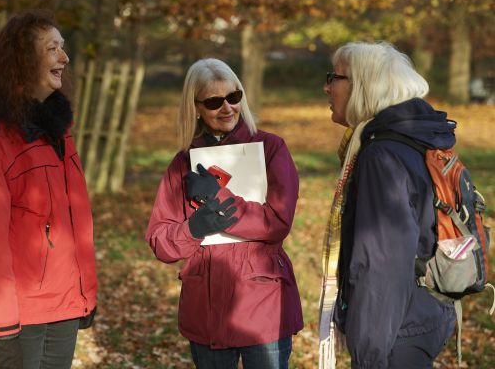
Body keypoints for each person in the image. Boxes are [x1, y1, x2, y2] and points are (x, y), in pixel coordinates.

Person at [0, 11, 97, 369]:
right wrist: (2, 323)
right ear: (22, 60)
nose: (64, 58)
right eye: (52, 49)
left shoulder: (58, 128)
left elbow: (75, 217)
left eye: (63, 48)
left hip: (64, 303)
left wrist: (85, 291)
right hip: (21, 313)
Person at [145, 58, 303, 369]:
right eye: (215, 101)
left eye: (234, 97)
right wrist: (192, 229)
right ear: (196, 107)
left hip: (262, 303)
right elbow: (160, 240)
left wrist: (216, 196)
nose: (228, 108)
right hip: (206, 305)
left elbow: (278, 222)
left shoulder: (270, 148)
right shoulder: (183, 163)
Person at [318, 41, 456, 369]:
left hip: (397, 327)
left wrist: (369, 356)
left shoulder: (381, 156)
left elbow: (380, 264)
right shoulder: (417, 137)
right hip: (428, 307)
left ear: (363, 85)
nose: (326, 87)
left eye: (333, 77)